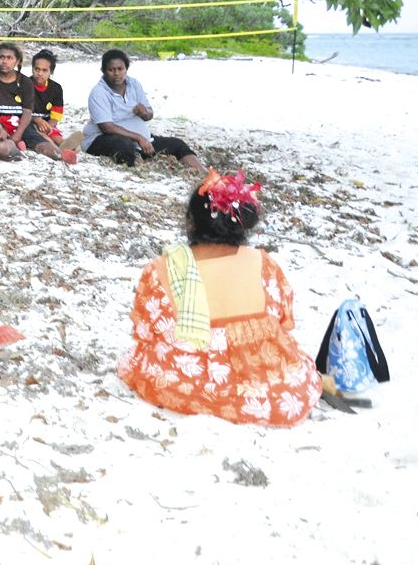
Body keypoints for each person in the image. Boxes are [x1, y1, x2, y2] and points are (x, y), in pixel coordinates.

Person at [117, 169, 320, 426]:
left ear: (190, 222)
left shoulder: (162, 269)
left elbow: (145, 329)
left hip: (186, 384)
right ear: (244, 225)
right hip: (263, 387)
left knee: (140, 358)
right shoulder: (264, 265)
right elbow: (281, 319)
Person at [83, 49, 206, 171]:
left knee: (177, 144)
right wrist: (138, 138)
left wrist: (144, 113)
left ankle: (202, 171)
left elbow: (149, 114)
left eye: (120, 69)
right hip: (101, 139)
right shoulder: (99, 92)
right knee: (123, 146)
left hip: (141, 139)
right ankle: (136, 164)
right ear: (104, 71)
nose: (116, 73)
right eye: (111, 70)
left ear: (126, 69)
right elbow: (107, 127)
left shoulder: (134, 84)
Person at [0, 41, 65, 162]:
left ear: (18, 61)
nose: (4, 61)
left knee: (48, 149)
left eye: (9, 58)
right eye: (1, 57)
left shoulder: (25, 82)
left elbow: (27, 112)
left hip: (21, 125)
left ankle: (61, 153)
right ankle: (17, 149)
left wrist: (19, 133)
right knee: (0, 147)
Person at [28, 49, 80, 157]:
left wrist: (48, 126)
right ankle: (59, 151)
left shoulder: (56, 88)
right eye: (37, 69)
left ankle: (64, 144)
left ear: (51, 71)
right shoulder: (25, 85)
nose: (40, 73)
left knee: (54, 134)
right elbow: (19, 112)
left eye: (44, 70)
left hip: (47, 123)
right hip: (28, 122)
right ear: (32, 69)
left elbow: (56, 116)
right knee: (41, 135)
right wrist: (36, 120)